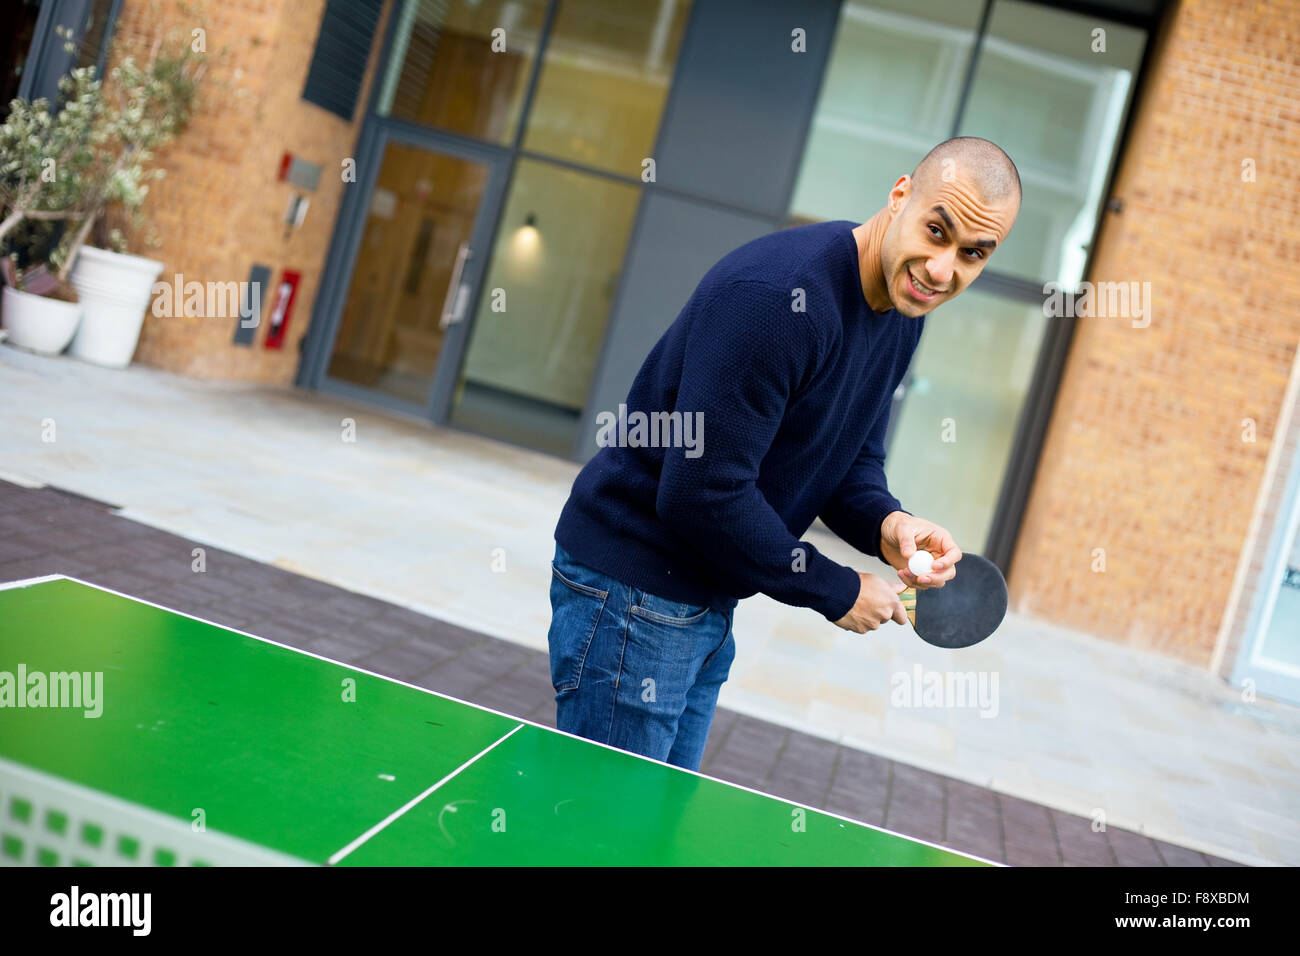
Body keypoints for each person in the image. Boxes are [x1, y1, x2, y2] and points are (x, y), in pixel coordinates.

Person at [547, 137, 1021, 771]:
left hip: (704, 602)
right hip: (632, 594)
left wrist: (892, 527)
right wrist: (835, 588)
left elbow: (849, 461)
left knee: (644, 826)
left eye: (972, 253)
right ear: (901, 194)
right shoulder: (779, 300)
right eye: (936, 232)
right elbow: (702, 491)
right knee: (602, 832)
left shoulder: (902, 311)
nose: (942, 269)